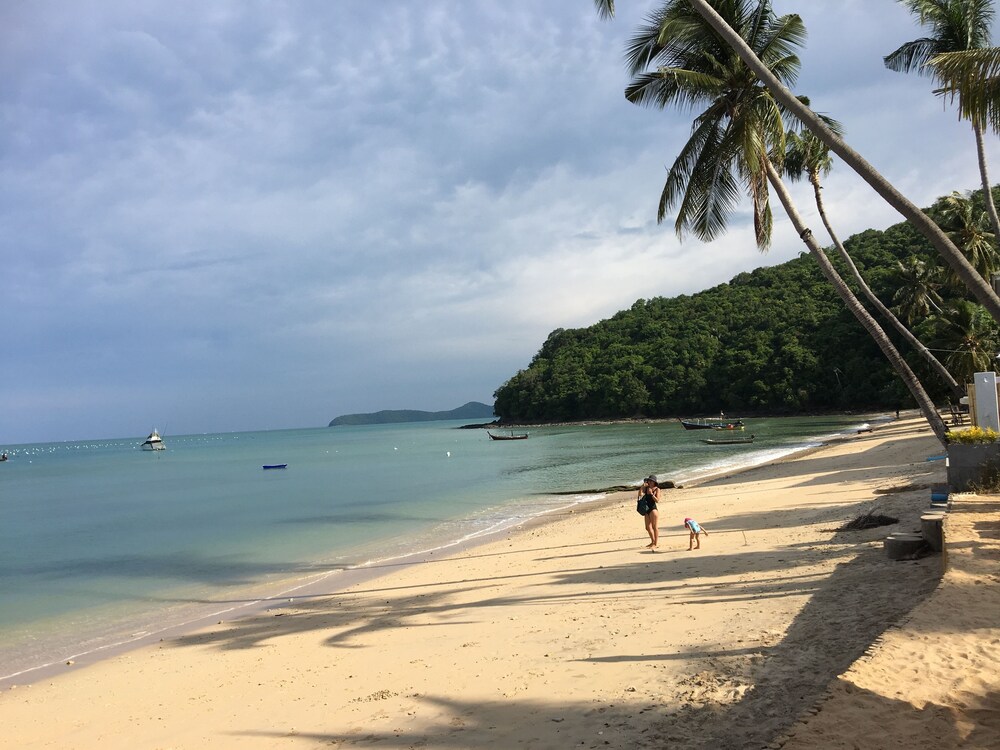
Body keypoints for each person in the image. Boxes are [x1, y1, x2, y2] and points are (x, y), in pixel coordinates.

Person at [637, 475, 660, 549]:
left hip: (653, 509)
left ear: (654, 482)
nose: (649, 482)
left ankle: (655, 543)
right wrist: (642, 487)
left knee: (654, 527)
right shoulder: (646, 488)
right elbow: (640, 495)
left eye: (651, 481)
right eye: (648, 481)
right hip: (646, 509)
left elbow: (657, 500)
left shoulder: (657, 489)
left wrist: (652, 494)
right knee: (647, 527)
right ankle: (652, 541)